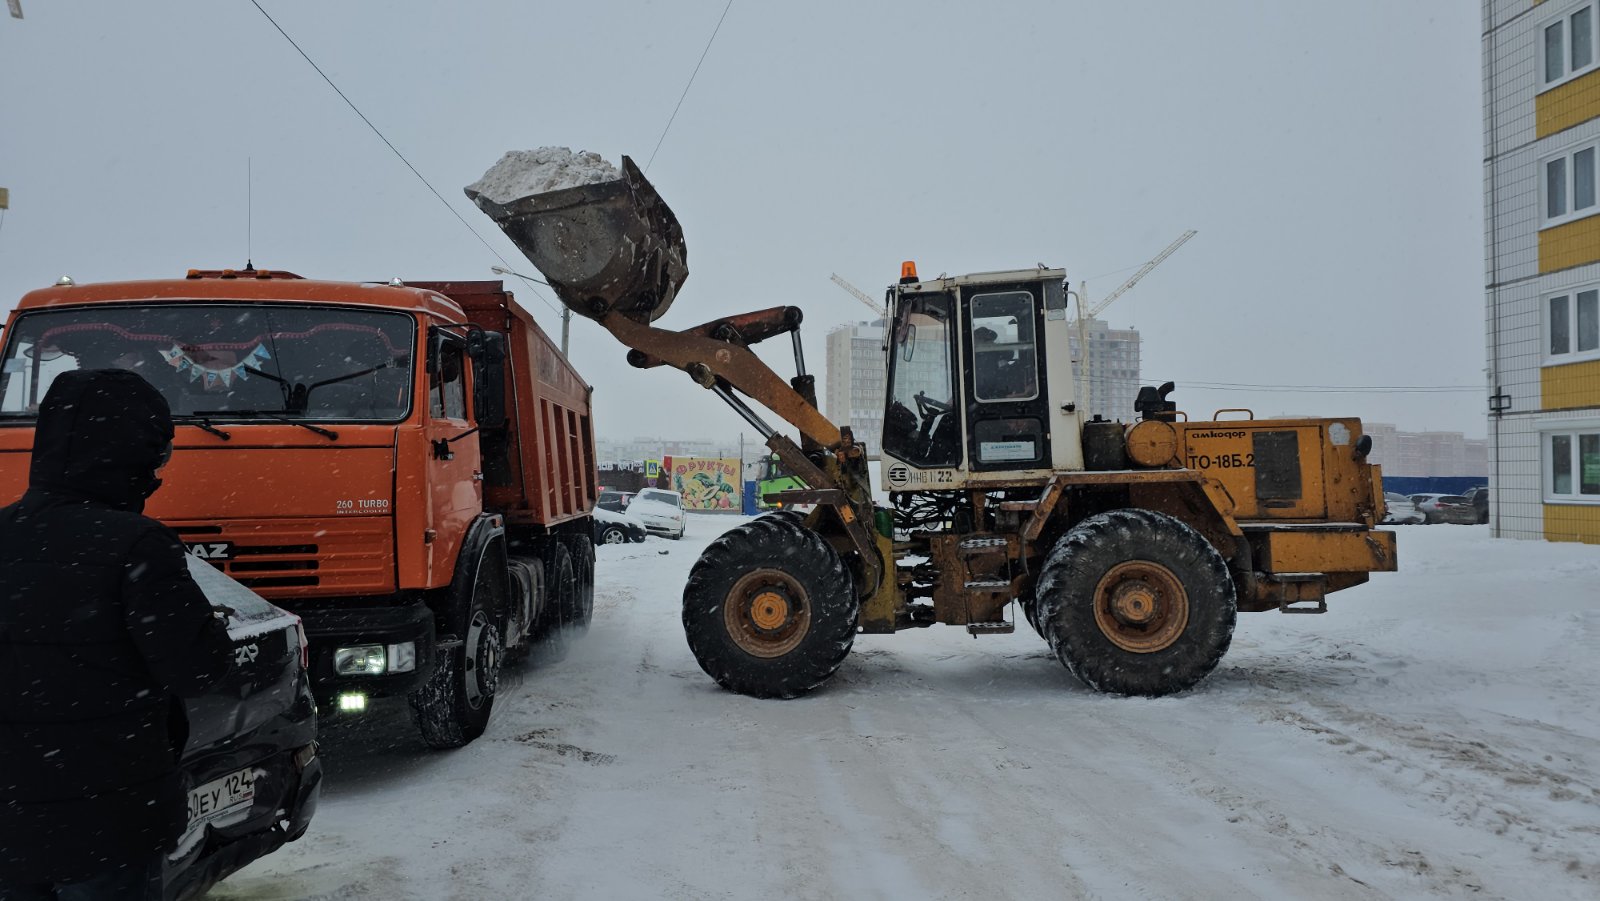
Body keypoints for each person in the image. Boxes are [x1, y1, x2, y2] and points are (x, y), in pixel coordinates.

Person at [0, 369, 235, 900]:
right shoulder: (136, 545)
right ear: (137, 454)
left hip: (10, 818)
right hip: (108, 811)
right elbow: (198, 668)